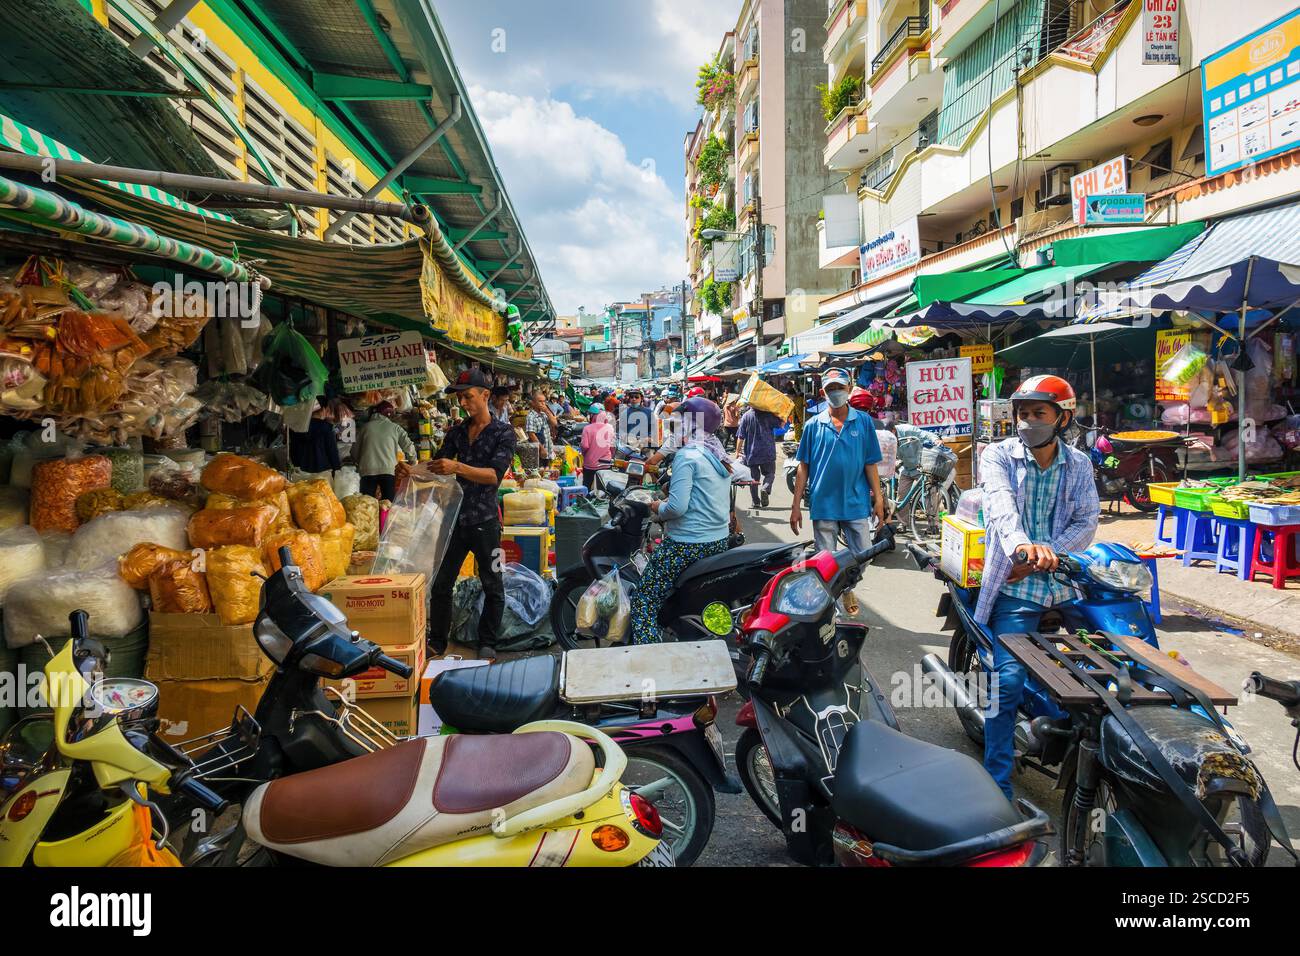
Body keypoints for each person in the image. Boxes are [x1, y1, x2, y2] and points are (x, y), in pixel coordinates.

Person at [977, 375, 1098, 799]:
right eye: (1022, 413)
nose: (1028, 422)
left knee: (1115, 666)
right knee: (1004, 683)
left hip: (1066, 584)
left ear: (1062, 418)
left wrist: (1051, 553)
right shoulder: (998, 455)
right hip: (1015, 587)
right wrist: (1023, 550)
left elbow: (1087, 520)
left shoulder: (1079, 464)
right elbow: (999, 506)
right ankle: (998, 784)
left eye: (1038, 414)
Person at [427, 369, 518, 660]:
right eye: (460, 397)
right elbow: (436, 465)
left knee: (493, 584)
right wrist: (413, 471)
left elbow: (494, 475)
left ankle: (487, 641)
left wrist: (457, 468)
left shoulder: (503, 433)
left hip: (486, 523)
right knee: (441, 584)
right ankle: (437, 641)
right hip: (452, 521)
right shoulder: (456, 432)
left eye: (468, 396)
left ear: (485, 395)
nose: (464, 402)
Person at [630, 398, 733, 644]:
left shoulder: (687, 456)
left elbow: (676, 507)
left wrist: (657, 507)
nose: (674, 425)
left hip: (687, 543)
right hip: (718, 541)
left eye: (680, 420)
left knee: (644, 599)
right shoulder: (716, 452)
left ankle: (649, 655)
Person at [789, 368, 885, 553]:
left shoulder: (864, 422)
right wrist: (796, 507)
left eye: (839, 387)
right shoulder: (812, 426)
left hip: (856, 503)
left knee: (864, 555)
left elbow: (870, 463)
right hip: (824, 504)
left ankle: (847, 583)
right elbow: (803, 468)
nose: (836, 391)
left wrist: (879, 499)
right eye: (831, 388)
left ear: (849, 389)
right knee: (826, 564)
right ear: (822, 392)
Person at [356, 400, 415, 501]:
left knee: (366, 504)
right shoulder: (395, 428)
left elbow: (355, 451)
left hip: (367, 471)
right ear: (389, 414)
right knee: (388, 503)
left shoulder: (364, 428)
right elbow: (409, 446)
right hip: (388, 471)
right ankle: (385, 517)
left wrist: (358, 463)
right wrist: (412, 462)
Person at [736, 402, 781, 509]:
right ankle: (765, 487)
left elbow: (741, 436)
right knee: (770, 473)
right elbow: (780, 423)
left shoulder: (746, 416)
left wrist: (737, 451)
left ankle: (756, 502)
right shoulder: (768, 414)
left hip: (752, 452)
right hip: (767, 451)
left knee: (753, 479)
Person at [288, 399, 342, 475]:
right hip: (322, 471)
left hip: (300, 470)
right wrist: (337, 471)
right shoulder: (326, 428)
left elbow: (292, 449)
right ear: (323, 409)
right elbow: (332, 452)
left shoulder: (295, 427)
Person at [580, 409, 615, 490]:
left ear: (592, 416)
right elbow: (613, 446)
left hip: (590, 464)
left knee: (587, 487)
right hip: (606, 463)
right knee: (603, 489)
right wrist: (611, 457)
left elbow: (584, 446)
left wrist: (584, 455)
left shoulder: (587, 428)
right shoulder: (610, 428)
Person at [525, 390, 556, 462]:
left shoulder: (544, 414)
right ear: (533, 403)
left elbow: (554, 423)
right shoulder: (531, 416)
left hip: (549, 449)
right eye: (540, 401)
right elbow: (531, 434)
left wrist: (547, 411)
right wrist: (541, 449)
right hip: (539, 451)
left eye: (544, 401)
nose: (543, 403)